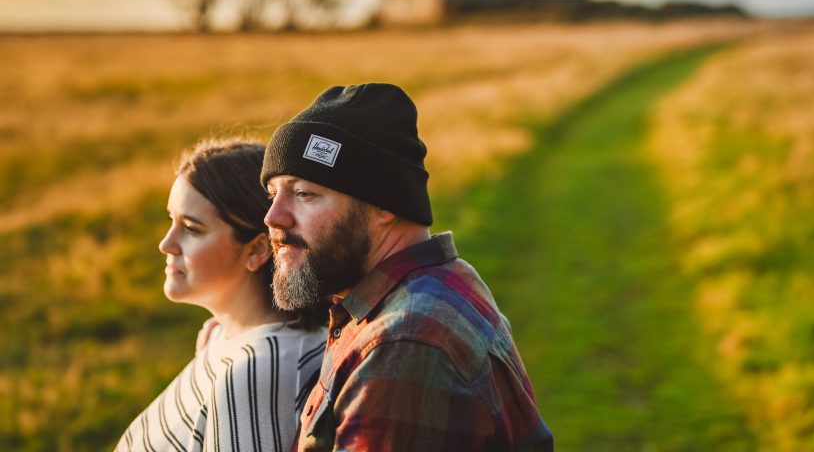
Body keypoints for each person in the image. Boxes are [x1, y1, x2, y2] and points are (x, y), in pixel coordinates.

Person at [261, 83, 554, 451]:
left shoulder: (402, 346)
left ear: (385, 205)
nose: (274, 217)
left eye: (304, 193)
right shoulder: (435, 283)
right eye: (273, 194)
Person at [116, 138, 329, 452]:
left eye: (191, 228)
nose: (166, 243)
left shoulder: (257, 372)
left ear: (256, 250)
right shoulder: (225, 340)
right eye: (171, 220)